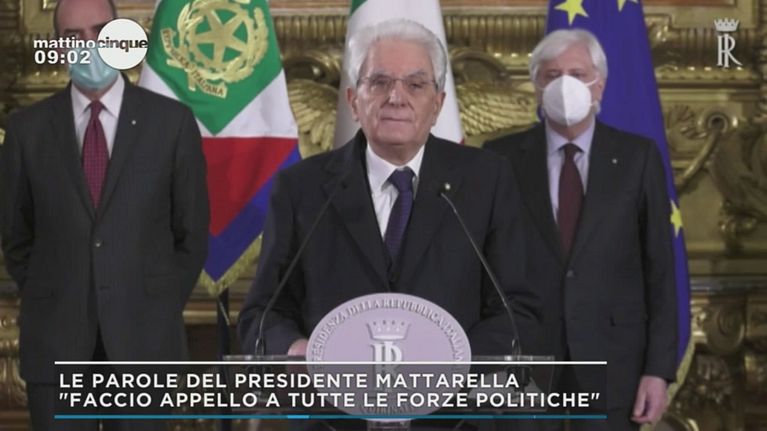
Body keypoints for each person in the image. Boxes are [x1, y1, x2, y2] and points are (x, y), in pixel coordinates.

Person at [238, 15, 538, 388]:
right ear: (353, 101)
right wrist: (296, 350)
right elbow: (261, 316)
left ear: (437, 104)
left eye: (415, 84)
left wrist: (449, 364)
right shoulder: (301, 188)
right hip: (336, 404)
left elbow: (517, 311)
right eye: (379, 82)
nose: (396, 97)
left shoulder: (486, 180)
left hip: (454, 407)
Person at [0, 0, 209, 429]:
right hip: (56, 347)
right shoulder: (27, 130)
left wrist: (153, 302)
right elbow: (16, 238)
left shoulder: (170, 123)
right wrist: (54, 292)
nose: (89, 45)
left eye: (99, 31)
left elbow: (191, 235)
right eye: (73, 36)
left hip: (144, 346)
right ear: (58, 46)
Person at [484, 29, 678, 430]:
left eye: (577, 74)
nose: (564, 85)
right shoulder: (501, 158)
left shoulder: (637, 158)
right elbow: (485, 266)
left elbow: (659, 269)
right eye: (552, 75)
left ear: (599, 84)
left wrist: (658, 371)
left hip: (614, 358)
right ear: (537, 87)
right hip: (524, 361)